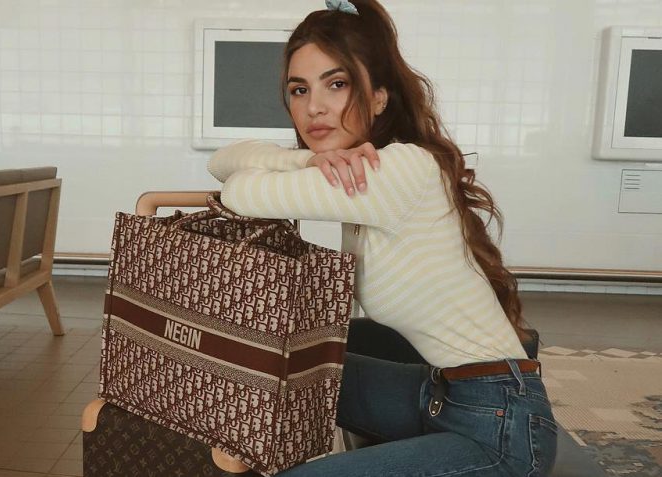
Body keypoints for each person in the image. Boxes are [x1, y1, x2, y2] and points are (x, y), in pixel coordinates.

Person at [207, 0, 557, 475]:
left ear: (378, 97)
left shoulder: (393, 169)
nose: (314, 107)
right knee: (284, 370)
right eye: (299, 89)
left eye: (337, 84)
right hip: (440, 394)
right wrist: (305, 158)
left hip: (500, 428)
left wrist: (303, 162)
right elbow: (222, 161)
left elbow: (240, 191)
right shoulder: (357, 165)